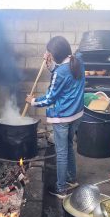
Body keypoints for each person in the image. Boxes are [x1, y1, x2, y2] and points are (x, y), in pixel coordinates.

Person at [25, 36, 85, 199]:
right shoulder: (78, 61)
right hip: (76, 114)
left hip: (63, 117)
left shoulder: (60, 72)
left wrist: (33, 101)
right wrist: (50, 64)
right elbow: (63, 78)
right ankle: (71, 179)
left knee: (61, 152)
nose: (47, 54)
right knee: (68, 146)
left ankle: (61, 189)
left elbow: (50, 97)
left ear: (56, 54)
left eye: (49, 52)